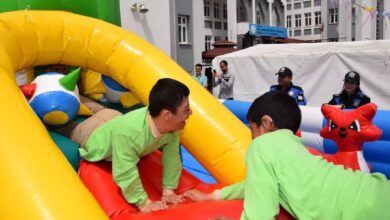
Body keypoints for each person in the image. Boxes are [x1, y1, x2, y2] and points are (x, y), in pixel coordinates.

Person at [184, 91, 390, 220]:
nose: (252, 137)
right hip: (376, 191)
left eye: (252, 130)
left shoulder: (263, 144)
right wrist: (212, 195)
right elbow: (258, 185)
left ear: (266, 123)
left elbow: (262, 214)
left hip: (365, 210)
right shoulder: (296, 148)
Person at [57, 78, 192, 213]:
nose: (190, 113)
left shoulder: (171, 129)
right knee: (65, 122)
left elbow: (172, 159)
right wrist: (143, 202)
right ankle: (57, 91)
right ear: (167, 115)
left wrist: (169, 190)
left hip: (113, 117)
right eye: (186, 110)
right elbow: (124, 172)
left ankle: (73, 95)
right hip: (93, 132)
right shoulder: (130, 135)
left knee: (92, 106)